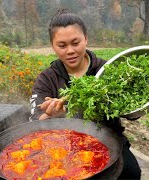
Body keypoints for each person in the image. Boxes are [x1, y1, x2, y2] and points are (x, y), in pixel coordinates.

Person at [30, 8, 141, 179]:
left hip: (109, 140)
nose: (70, 51)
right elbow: (34, 122)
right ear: (53, 46)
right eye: (62, 45)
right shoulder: (47, 78)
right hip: (62, 144)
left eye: (75, 43)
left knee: (132, 172)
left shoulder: (107, 70)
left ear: (86, 39)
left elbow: (133, 112)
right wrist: (51, 114)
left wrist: (135, 99)